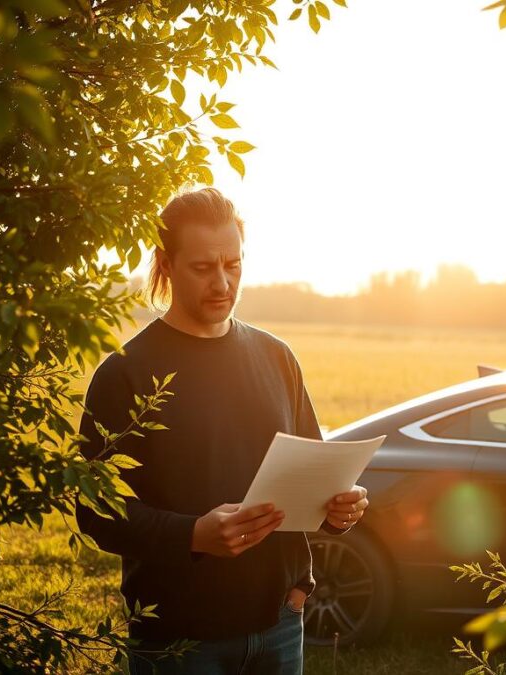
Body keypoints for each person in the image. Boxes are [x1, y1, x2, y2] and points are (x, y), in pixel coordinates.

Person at [74, 187, 368, 675]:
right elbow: (95, 512)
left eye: (233, 264)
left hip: (279, 625)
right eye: (203, 267)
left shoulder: (277, 357)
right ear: (165, 265)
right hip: (178, 638)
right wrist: (192, 535)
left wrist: (339, 509)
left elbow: (313, 479)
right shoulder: (124, 374)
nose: (222, 283)